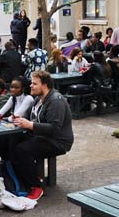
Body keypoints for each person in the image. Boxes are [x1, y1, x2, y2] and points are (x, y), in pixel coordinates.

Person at [11, 71, 74, 200]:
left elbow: (55, 128)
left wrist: (30, 125)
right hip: (42, 137)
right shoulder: (38, 99)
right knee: (9, 142)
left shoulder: (56, 101)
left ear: (45, 85)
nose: (31, 86)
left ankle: (36, 186)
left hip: (58, 141)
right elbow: (29, 117)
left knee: (22, 150)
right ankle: (21, 179)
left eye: (34, 83)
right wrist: (19, 118)